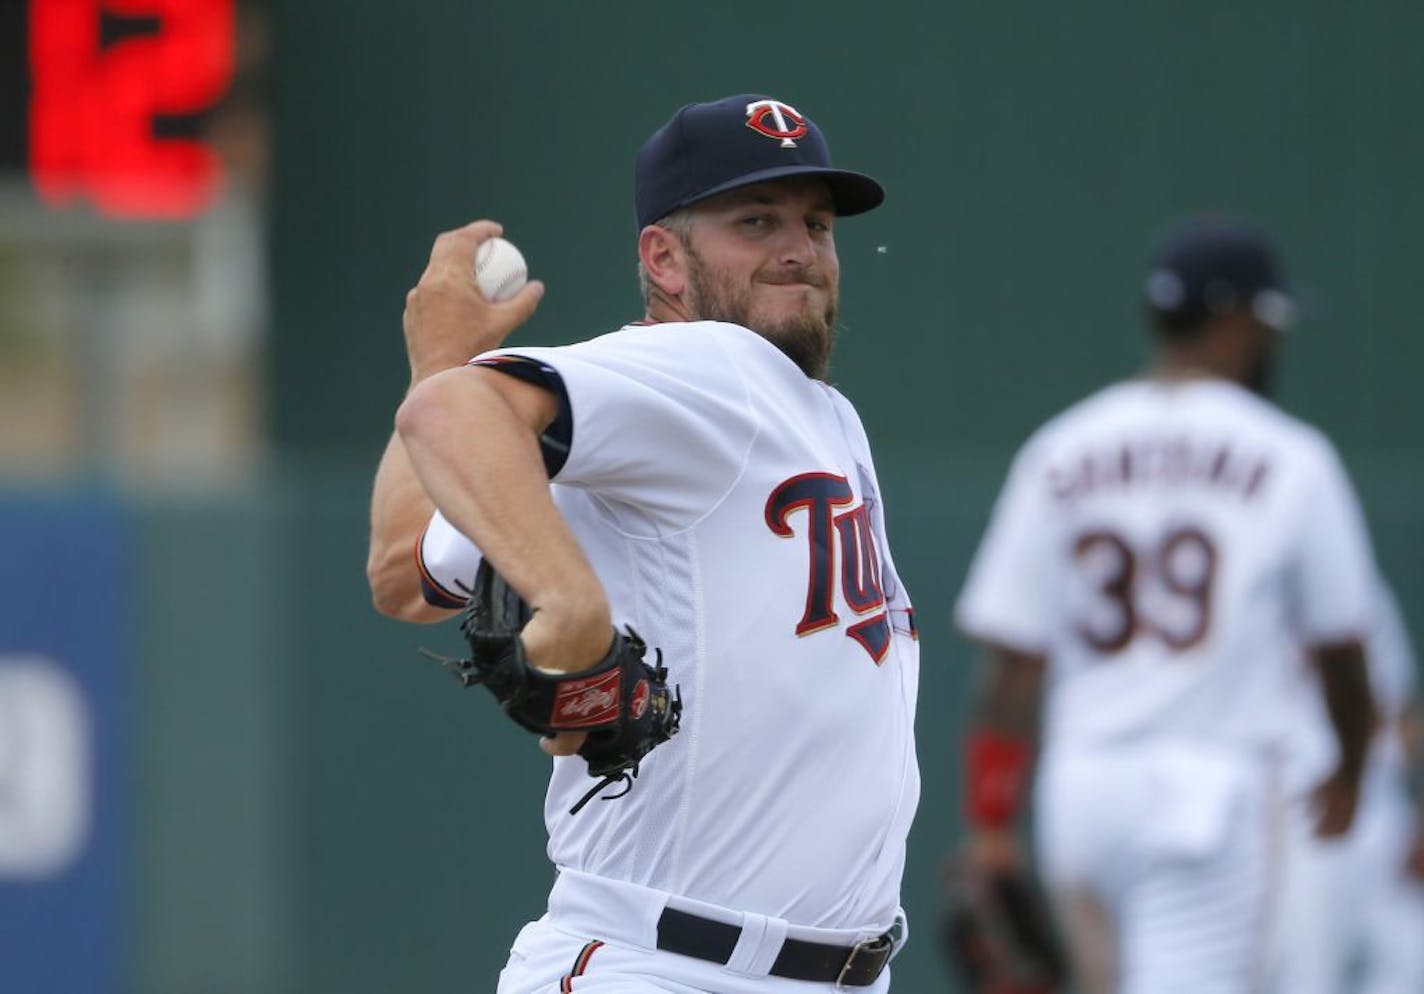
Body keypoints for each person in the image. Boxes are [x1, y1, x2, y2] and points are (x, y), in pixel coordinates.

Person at [366, 94, 920, 993]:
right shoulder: (713, 368)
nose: (799, 250)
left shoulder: (803, 411)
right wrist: (565, 596)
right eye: (756, 221)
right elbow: (449, 415)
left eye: (816, 224)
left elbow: (400, 570)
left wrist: (438, 360)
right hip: (667, 967)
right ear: (663, 257)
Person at [951, 217, 1380, 994]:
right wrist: (1350, 772)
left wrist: (989, 825)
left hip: (1081, 793)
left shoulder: (1062, 446)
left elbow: (1013, 665)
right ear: (1241, 321)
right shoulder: (1291, 456)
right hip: (1208, 797)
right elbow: (1344, 652)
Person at [1267, 578, 1424, 994]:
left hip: (1380, 813)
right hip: (1304, 819)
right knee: (1309, 976)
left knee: (1406, 960)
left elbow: (1403, 711)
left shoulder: (1364, 590)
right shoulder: (1256, 589)